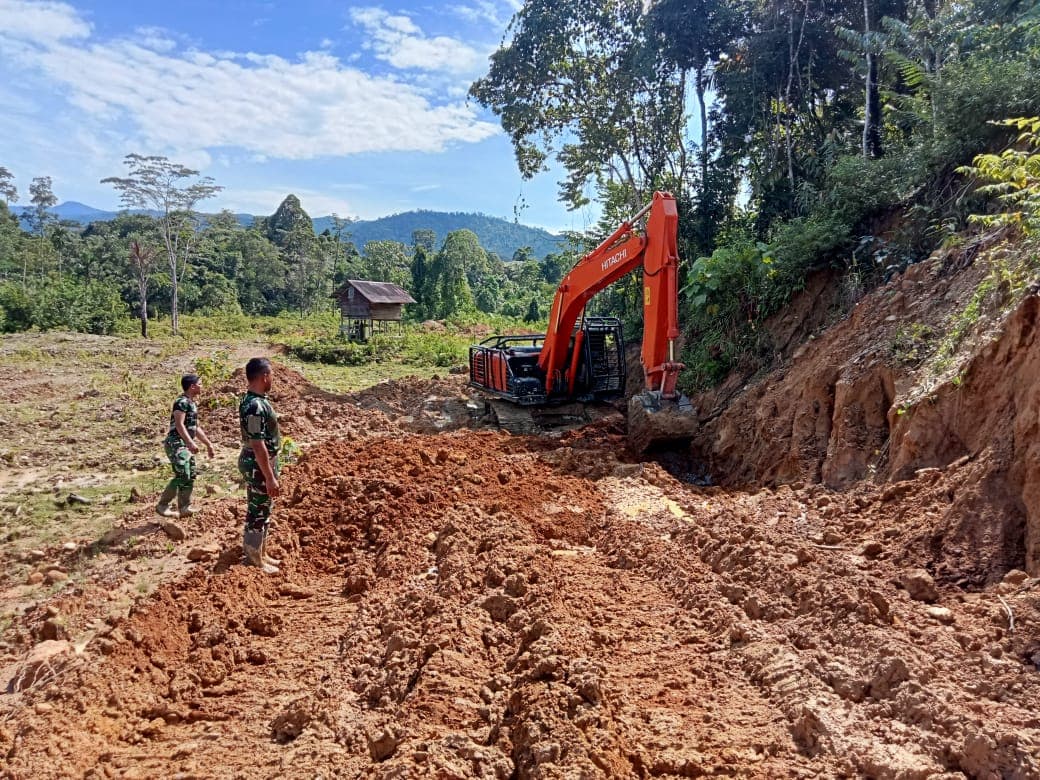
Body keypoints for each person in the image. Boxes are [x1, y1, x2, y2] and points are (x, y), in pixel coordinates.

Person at [238, 357, 282, 573]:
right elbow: (257, 444)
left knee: (262, 508)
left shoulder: (255, 400)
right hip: (258, 464)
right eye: (271, 374)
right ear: (264, 376)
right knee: (258, 510)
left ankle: (261, 553)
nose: (273, 378)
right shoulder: (255, 405)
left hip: (260, 463)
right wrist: (269, 477)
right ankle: (255, 558)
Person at [157, 373, 215, 519]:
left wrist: (208, 444)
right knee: (182, 473)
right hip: (176, 442)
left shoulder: (192, 404)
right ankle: (162, 505)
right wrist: (189, 442)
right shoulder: (181, 402)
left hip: (185, 443)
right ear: (192, 386)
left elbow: (195, 428)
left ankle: (185, 507)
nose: (202, 386)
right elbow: (179, 424)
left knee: (189, 475)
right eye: (200, 383)